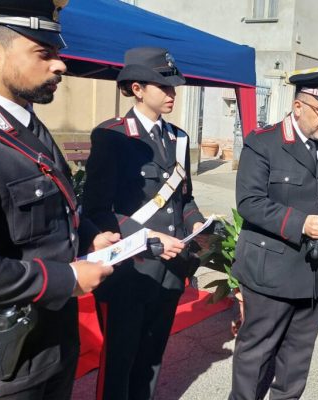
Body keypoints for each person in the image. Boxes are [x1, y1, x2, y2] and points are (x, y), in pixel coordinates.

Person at [0, 1, 120, 398]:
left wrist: (90, 237)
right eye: (45, 53)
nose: (61, 65)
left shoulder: (25, 123)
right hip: (1, 362)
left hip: (50, 343)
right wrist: (69, 278)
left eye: (58, 53)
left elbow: (56, 210)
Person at [82, 47, 205, 399]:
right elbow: (95, 209)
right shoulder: (112, 136)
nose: (172, 94)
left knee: (152, 357)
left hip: (171, 267)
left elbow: (184, 198)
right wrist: (146, 236)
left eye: (173, 87)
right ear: (137, 88)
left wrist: (199, 226)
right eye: (163, 87)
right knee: (120, 359)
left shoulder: (178, 138)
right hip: (130, 270)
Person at [230, 65, 318, 400]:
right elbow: (249, 202)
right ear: (298, 106)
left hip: (312, 273)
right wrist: (301, 223)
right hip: (269, 272)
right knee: (255, 359)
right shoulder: (264, 143)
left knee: (295, 365)